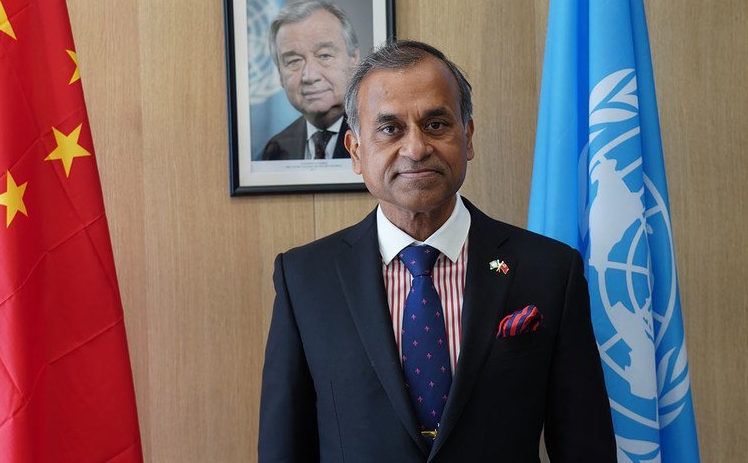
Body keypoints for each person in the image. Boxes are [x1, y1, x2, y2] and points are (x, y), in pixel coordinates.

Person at [258, 40, 616, 462]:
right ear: (355, 151)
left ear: (467, 137)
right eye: (390, 129)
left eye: (435, 124)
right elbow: (284, 448)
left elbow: (585, 447)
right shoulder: (304, 279)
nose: (416, 148)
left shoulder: (550, 270)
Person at [261, 0, 360, 161]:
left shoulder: (377, 136)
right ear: (280, 74)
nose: (310, 76)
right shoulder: (276, 150)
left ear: (354, 59)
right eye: (293, 61)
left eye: (324, 56)